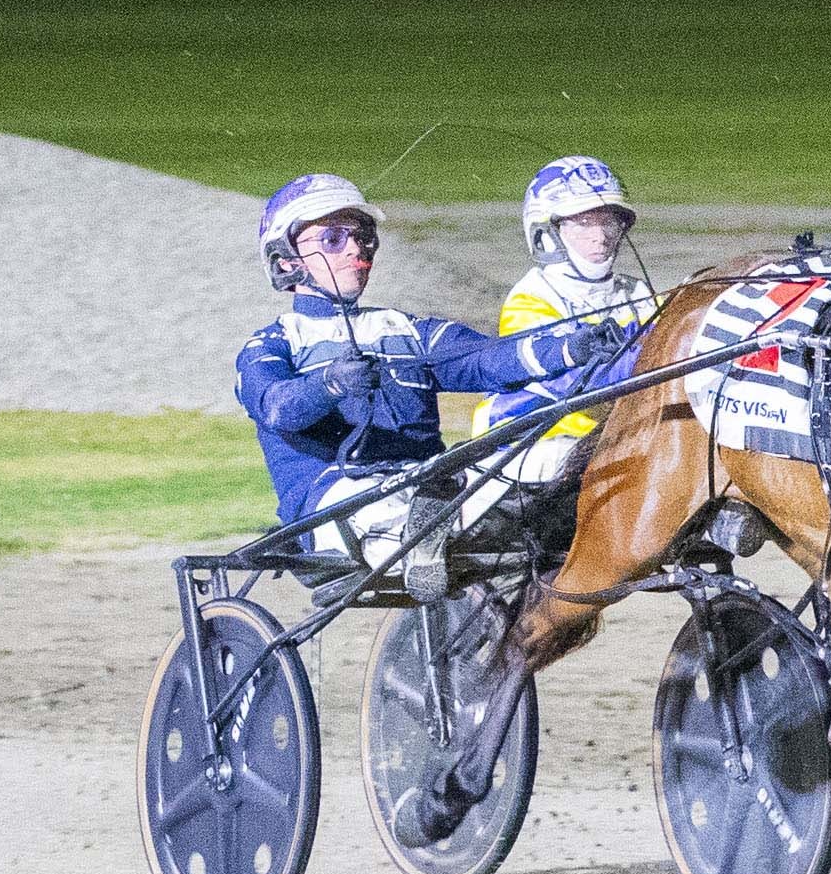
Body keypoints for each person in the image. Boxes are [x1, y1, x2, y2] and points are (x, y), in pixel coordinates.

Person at [236, 172, 631, 599]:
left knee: (514, 480)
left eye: (364, 237)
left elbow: (489, 359)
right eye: (333, 239)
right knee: (385, 504)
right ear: (285, 261)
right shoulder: (272, 343)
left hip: (427, 483)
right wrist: (329, 383)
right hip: (330, 504)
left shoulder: (406, 329)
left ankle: (432, 533)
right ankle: (418, 539)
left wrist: (571, 347)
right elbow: (276, 407)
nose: (355, 250)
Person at [468, 156, 656, 493]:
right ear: (546, 232)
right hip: (527, 446)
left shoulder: (637, 292)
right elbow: (576, 385)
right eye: (584, 222)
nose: (600, 236)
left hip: (608, 439)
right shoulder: (531, 299)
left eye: (609, 222)